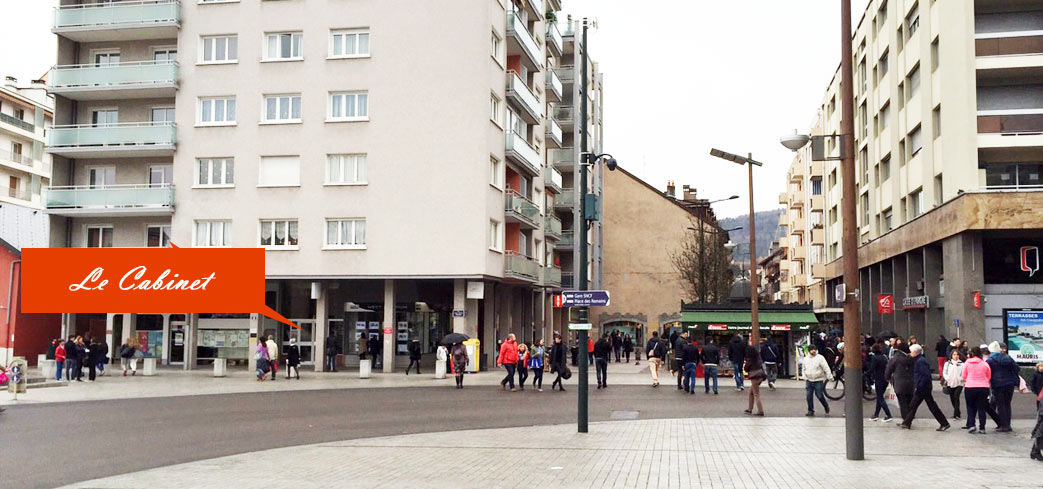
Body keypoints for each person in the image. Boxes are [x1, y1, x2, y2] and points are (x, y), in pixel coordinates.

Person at [899, 344, 951, 431]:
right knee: (917, 405)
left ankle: (944, 423)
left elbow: (925, 375)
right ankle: (906, 423)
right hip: (923, 387)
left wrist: (919, 386)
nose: (909, 353)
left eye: (911, 352)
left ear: (915, 352)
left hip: (922, 388)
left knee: (920, 405)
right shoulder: (918, 360)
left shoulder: (920, 361)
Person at [987, 341, 1020, 432]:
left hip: (997, 385)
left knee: (1000, 405)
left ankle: (1003, 425)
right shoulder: (1008, 358)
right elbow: (1017, 368)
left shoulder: (990, 360)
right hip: (1009, 384)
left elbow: (988, 373)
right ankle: (1008, 425)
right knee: (1007, 404)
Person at [961, 346, 992, 434]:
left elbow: (964, 376)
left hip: (970, 386)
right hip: (983, 387)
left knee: (970, 407)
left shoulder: (967, 363)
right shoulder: (984, 364)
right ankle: (982, 427)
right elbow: (988, 376)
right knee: (981, 407)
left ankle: (972, 425)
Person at [886, 343, 915, 420]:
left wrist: (888, 378)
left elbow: (888, 371)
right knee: (909, 402)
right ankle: (909, 419)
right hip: (910, 383)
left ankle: (906, 420)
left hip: (899, 384)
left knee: (903, 403)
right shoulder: (911, 358)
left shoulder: (895, 358)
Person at [803, 345, 833, 416]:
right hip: (809, 380)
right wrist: (804, 376)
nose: (813, 351)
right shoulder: (806, 359)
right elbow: (803, 368)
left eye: (814, 349)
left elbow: (826, 367)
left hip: (818, 379)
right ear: (809, 350)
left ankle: (826, 406)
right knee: (808, 396)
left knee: (819, 395)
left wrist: (829, 376)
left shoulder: (820, 358)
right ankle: (810, 410)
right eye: (812, 349)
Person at [869, 342, 893, 421]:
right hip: (885, 379)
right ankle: (876, 414)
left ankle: (888, 414)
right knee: (880, 396)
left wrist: (865, 374)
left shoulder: (875, 358)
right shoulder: (884, 356)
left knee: (880, 397)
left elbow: (872, 369)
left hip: (879, 379)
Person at [942, 349, 965, 420]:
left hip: (959, 383)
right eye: (954, 354)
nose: (956, 356)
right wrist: (947, 378)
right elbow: (944, 372)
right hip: (950, 383)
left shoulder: (962, 364)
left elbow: (963, 374)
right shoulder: (948, 363)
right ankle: (958, 412)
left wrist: (960, 378)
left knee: (956, 397)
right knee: (952, 398)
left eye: (957, 355)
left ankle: (956, 414)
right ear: (951, 355)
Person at [744, 345, 766, 416]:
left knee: (756, 394)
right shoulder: (758, 358)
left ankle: (760, 410)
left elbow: (746, 369)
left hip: (754, 377)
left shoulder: (750, 360)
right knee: (751, 392)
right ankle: (749, 409)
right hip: (760, 376)